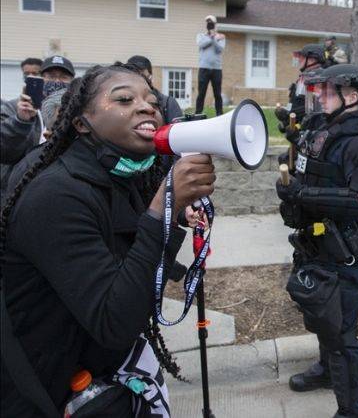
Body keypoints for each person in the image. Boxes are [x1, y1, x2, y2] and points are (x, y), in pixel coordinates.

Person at [0, 63, 216, 417]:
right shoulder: (55, 195)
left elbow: (139, 288)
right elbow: (115, 322)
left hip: (93, 373)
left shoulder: (120, 175)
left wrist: (170, 212)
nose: (147, 107)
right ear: (81, 123)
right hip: (43, 390)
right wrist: (163, 208)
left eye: (152, 101)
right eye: (125, 99)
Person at [276, 64, 358, 418]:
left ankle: (353, 410)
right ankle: (327, 372)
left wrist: (302, 194)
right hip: (317, 243)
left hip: (347, 251)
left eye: (329, 91)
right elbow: (310, 165)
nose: (321, 97)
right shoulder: (323, 129)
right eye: (320, 91)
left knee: (342, 335)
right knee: (323, 316)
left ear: (352, 96)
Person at [1, 55, 74, 198]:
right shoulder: (14, 108)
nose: (57, 81)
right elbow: (4, 152)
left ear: (72, 81)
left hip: (59, 189)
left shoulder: (77, 111)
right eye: (51, 76)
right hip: (16, 191)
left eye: (63, 77)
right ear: (41, 79)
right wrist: (21, 121)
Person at [126, 55, 184, 125]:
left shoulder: (167, 104)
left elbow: (177, 130)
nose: (139, 82)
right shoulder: (122, 102)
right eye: (134, 78)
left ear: (150, 77)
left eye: (143, 77)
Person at [195, 14, 226, 116]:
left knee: (217, 94)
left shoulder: (221, 37)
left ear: (215, 24)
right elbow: (201, 44)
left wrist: (214, 38)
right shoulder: (201, 36)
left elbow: (219, 49)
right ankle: (198, 114)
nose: (209, 24)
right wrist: (212, 38)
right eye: (208, 22)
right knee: (201, 93)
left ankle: (219, 114)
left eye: (211, 23)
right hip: (203, 68)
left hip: (217, 69)